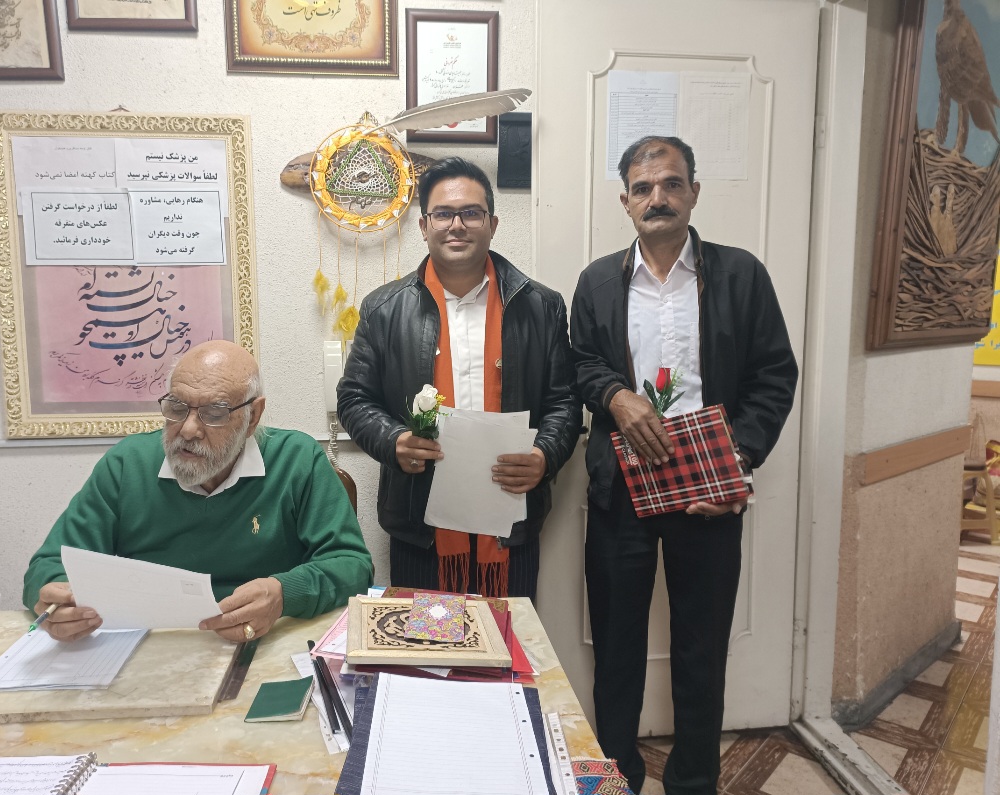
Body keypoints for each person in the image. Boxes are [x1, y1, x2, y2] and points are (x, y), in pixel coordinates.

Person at [570, 136, 798, 794]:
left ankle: (694, 781)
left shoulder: (741, 275)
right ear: (625, 201)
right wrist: (616, 397)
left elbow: (774, 375)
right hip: (622, 490)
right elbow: (580, 362)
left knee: (702, 649)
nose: (658, 198)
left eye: (671, 184)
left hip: (709, 487)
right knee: (615, 647)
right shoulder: (597, 281)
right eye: (643, 188)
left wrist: (737, 459)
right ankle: (616, 776)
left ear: (694, 192)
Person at [337, 157, 580, 599]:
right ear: (423, 226)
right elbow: (354, 399)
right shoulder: (384, 309)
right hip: (420, 524)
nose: (457, 225)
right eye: (443, 214)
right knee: (424, 641)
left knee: (506, 638)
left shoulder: (541, 306)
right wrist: (393, 440)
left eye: (471, 213)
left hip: (511, 521)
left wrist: (544, 455)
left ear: (492, 224)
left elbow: (564, 401)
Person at [23, 340, 374, 643]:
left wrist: (284, 594)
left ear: (253, 416)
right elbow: (50, 564)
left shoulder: (296, 459)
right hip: (151, 647)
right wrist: (57, 598)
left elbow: (352, 566)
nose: (188, 429)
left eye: (214, 413)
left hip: (264, 642)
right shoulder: (127, 464)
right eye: (176, 408)